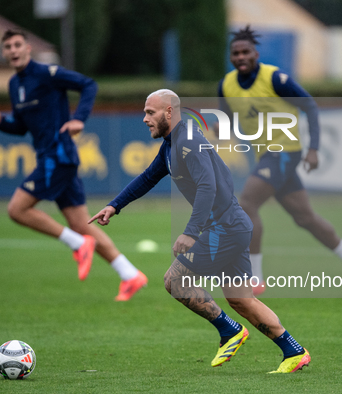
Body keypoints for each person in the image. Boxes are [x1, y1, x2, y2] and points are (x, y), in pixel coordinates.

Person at [89, 89, 311, 373]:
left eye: (150, 112)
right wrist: (114, 205)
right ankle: (294, 351)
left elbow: (209, 186)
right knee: (241, 299)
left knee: (175, 280)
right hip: (234, 225)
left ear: (169, 112)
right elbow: (147, 177)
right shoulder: (171, 145)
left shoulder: (189, 140)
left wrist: (191, 232)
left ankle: (229, 331)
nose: (145, 118)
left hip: (226, 226)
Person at [0, 30, 147, 301]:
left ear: (27, 48)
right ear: (3, 53)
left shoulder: (48, 73)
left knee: (17, 209)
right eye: (7, 47)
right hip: (53, 159)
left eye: (17, 45)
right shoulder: (14, 84)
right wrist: (1, 122)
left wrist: (80, 118)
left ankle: (77, 244)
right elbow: (22, 126)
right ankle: (130, 274)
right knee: (82, 223)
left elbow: (89, 84)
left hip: (57, 157)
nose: (12, 50)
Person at [219, 26, 342, 298]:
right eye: (235, 53)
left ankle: (254, 279)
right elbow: (226, 118)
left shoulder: (274, 78)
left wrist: (313, 149)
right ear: (230, 57)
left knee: (247, 205)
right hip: (266, 155)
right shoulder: (226, 85)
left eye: (246, 52)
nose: (241, 57)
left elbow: (309, 105)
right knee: (305, 218)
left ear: (256, 54)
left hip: (285, 151)